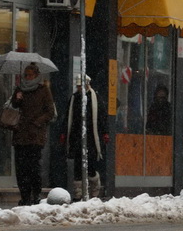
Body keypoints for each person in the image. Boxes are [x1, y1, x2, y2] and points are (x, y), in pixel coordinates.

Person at [10, 63, 55, 206]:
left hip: (35, 136)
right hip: (20, 135)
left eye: (30, 75)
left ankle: (35, 195)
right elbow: (14, 106)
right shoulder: (19, 89)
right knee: (21, 169)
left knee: (33, 168)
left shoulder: (43, 90)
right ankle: (25, 197)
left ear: (36, 75)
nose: (27, 77)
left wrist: (38, 122)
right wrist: (17, 98)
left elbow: (50, 112)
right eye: (26, 75)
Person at [60, 75, 110, 199]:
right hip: (77, 137)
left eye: (80, 86)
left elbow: (102, 117)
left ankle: (94, 186)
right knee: (77, 164)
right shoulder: (74, 98)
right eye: (77, 86)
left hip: (92, 137)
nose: (79, 88)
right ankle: (78, 193)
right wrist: (64, 133)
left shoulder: (95, 98)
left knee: (90, 164)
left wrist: (105, 132)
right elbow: (68, 118)